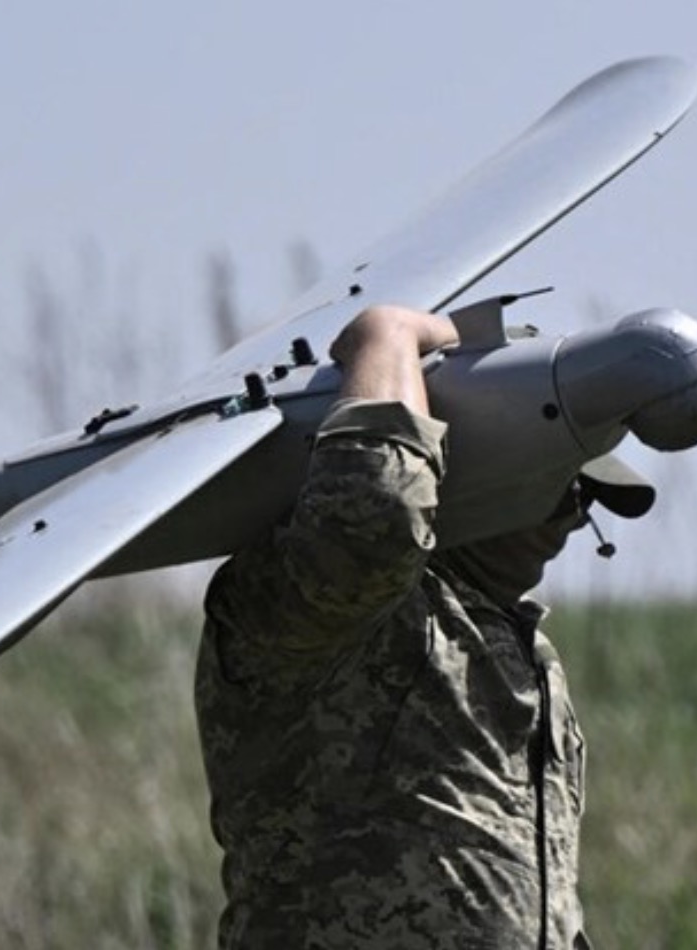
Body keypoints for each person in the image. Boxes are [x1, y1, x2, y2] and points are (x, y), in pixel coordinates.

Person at [196, 304, 651, 948]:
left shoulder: (524, 651)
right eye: (564, 486)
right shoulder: (325, 611)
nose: (575, 518)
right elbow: (373, 519)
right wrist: (388, 336)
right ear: (469, 465)